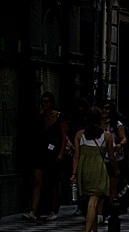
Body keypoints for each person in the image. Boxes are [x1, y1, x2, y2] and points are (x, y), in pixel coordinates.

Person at [71, 106, 119, 232]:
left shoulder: (79, 135)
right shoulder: (106, 136)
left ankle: (94, 230)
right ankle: (87, 230)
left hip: (84, 169)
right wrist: (116, 169)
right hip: (98, 170)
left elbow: (76, 156)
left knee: (91, 201)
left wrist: (74, 173)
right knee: (93, 202)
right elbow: (112, 157)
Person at [22, 92, 67, 222]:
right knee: (37, 181)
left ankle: (53, 210)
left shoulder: (59, 118)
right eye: (42, 102)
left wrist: (61, 153)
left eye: (47, 102)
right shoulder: (40, 119)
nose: (44, 104)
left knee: (53, 182)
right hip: (41, 153)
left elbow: (64, 136)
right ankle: (34, 211)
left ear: (52, 103)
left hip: (53, 154)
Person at [100, 100, 127, 220]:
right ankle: (100, 212)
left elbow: (124, 138)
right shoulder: (98, 124)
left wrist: (119, 145)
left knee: (112, 186)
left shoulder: (117, 124)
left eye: (107, 108)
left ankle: (111, 212)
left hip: (114, 158)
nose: (104, 111)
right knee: (101, 187)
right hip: (100, 158)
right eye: (102, 108)